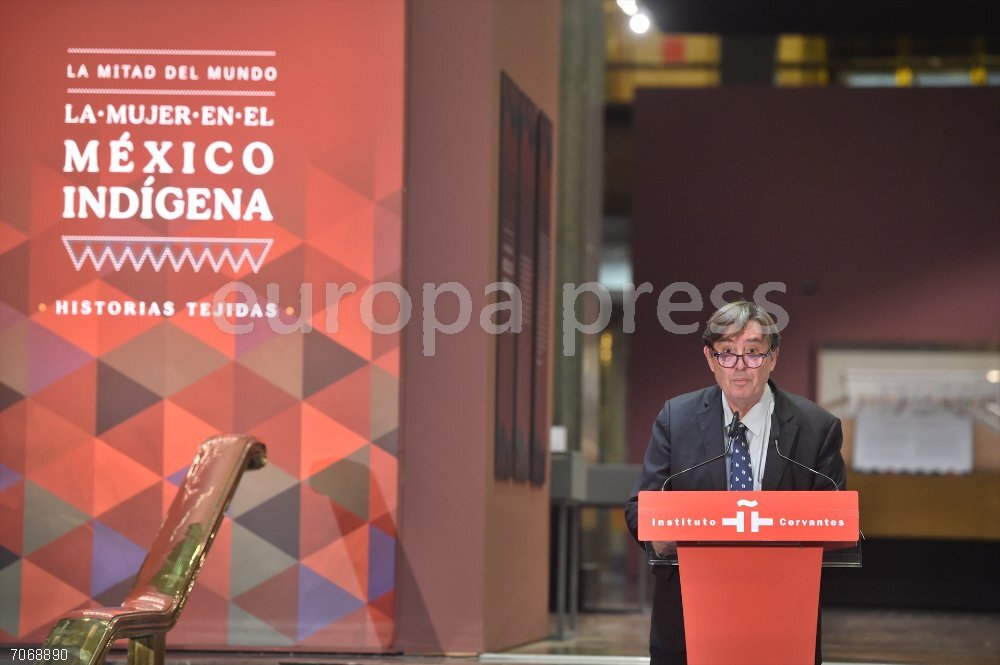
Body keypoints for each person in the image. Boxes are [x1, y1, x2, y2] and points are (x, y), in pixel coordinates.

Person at [625, 301, 846, 665]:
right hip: (687, 620)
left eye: (753, 352)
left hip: (782, 622)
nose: (740, 366)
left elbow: (834, 519)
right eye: (727, 353)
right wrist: (656, 535)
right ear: (710, 359)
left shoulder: (817, 428)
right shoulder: (675, 419)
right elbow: (640, 507)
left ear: (773, 357)